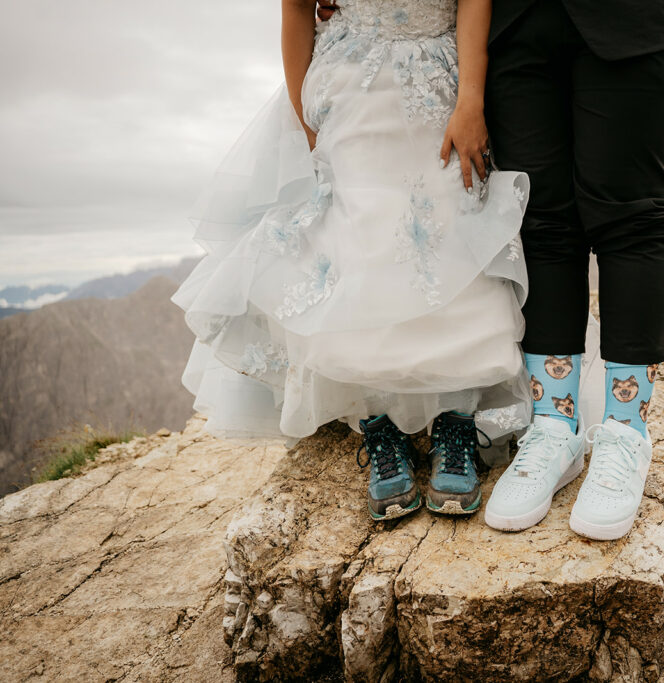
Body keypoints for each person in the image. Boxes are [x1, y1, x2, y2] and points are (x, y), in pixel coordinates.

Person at [171, 0, 532, 521]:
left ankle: (458, 419)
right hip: (349, 85)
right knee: (357, 241)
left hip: (442, 78)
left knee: (450, 224)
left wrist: (471, 100)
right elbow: (295, 8)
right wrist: (303, 120)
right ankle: (378, 421)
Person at [480, 0, 664, 540]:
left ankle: (626, 434)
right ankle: (554, 428)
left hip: (639, 20)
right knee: (541, 221)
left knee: (634, 216)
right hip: (516, 19)